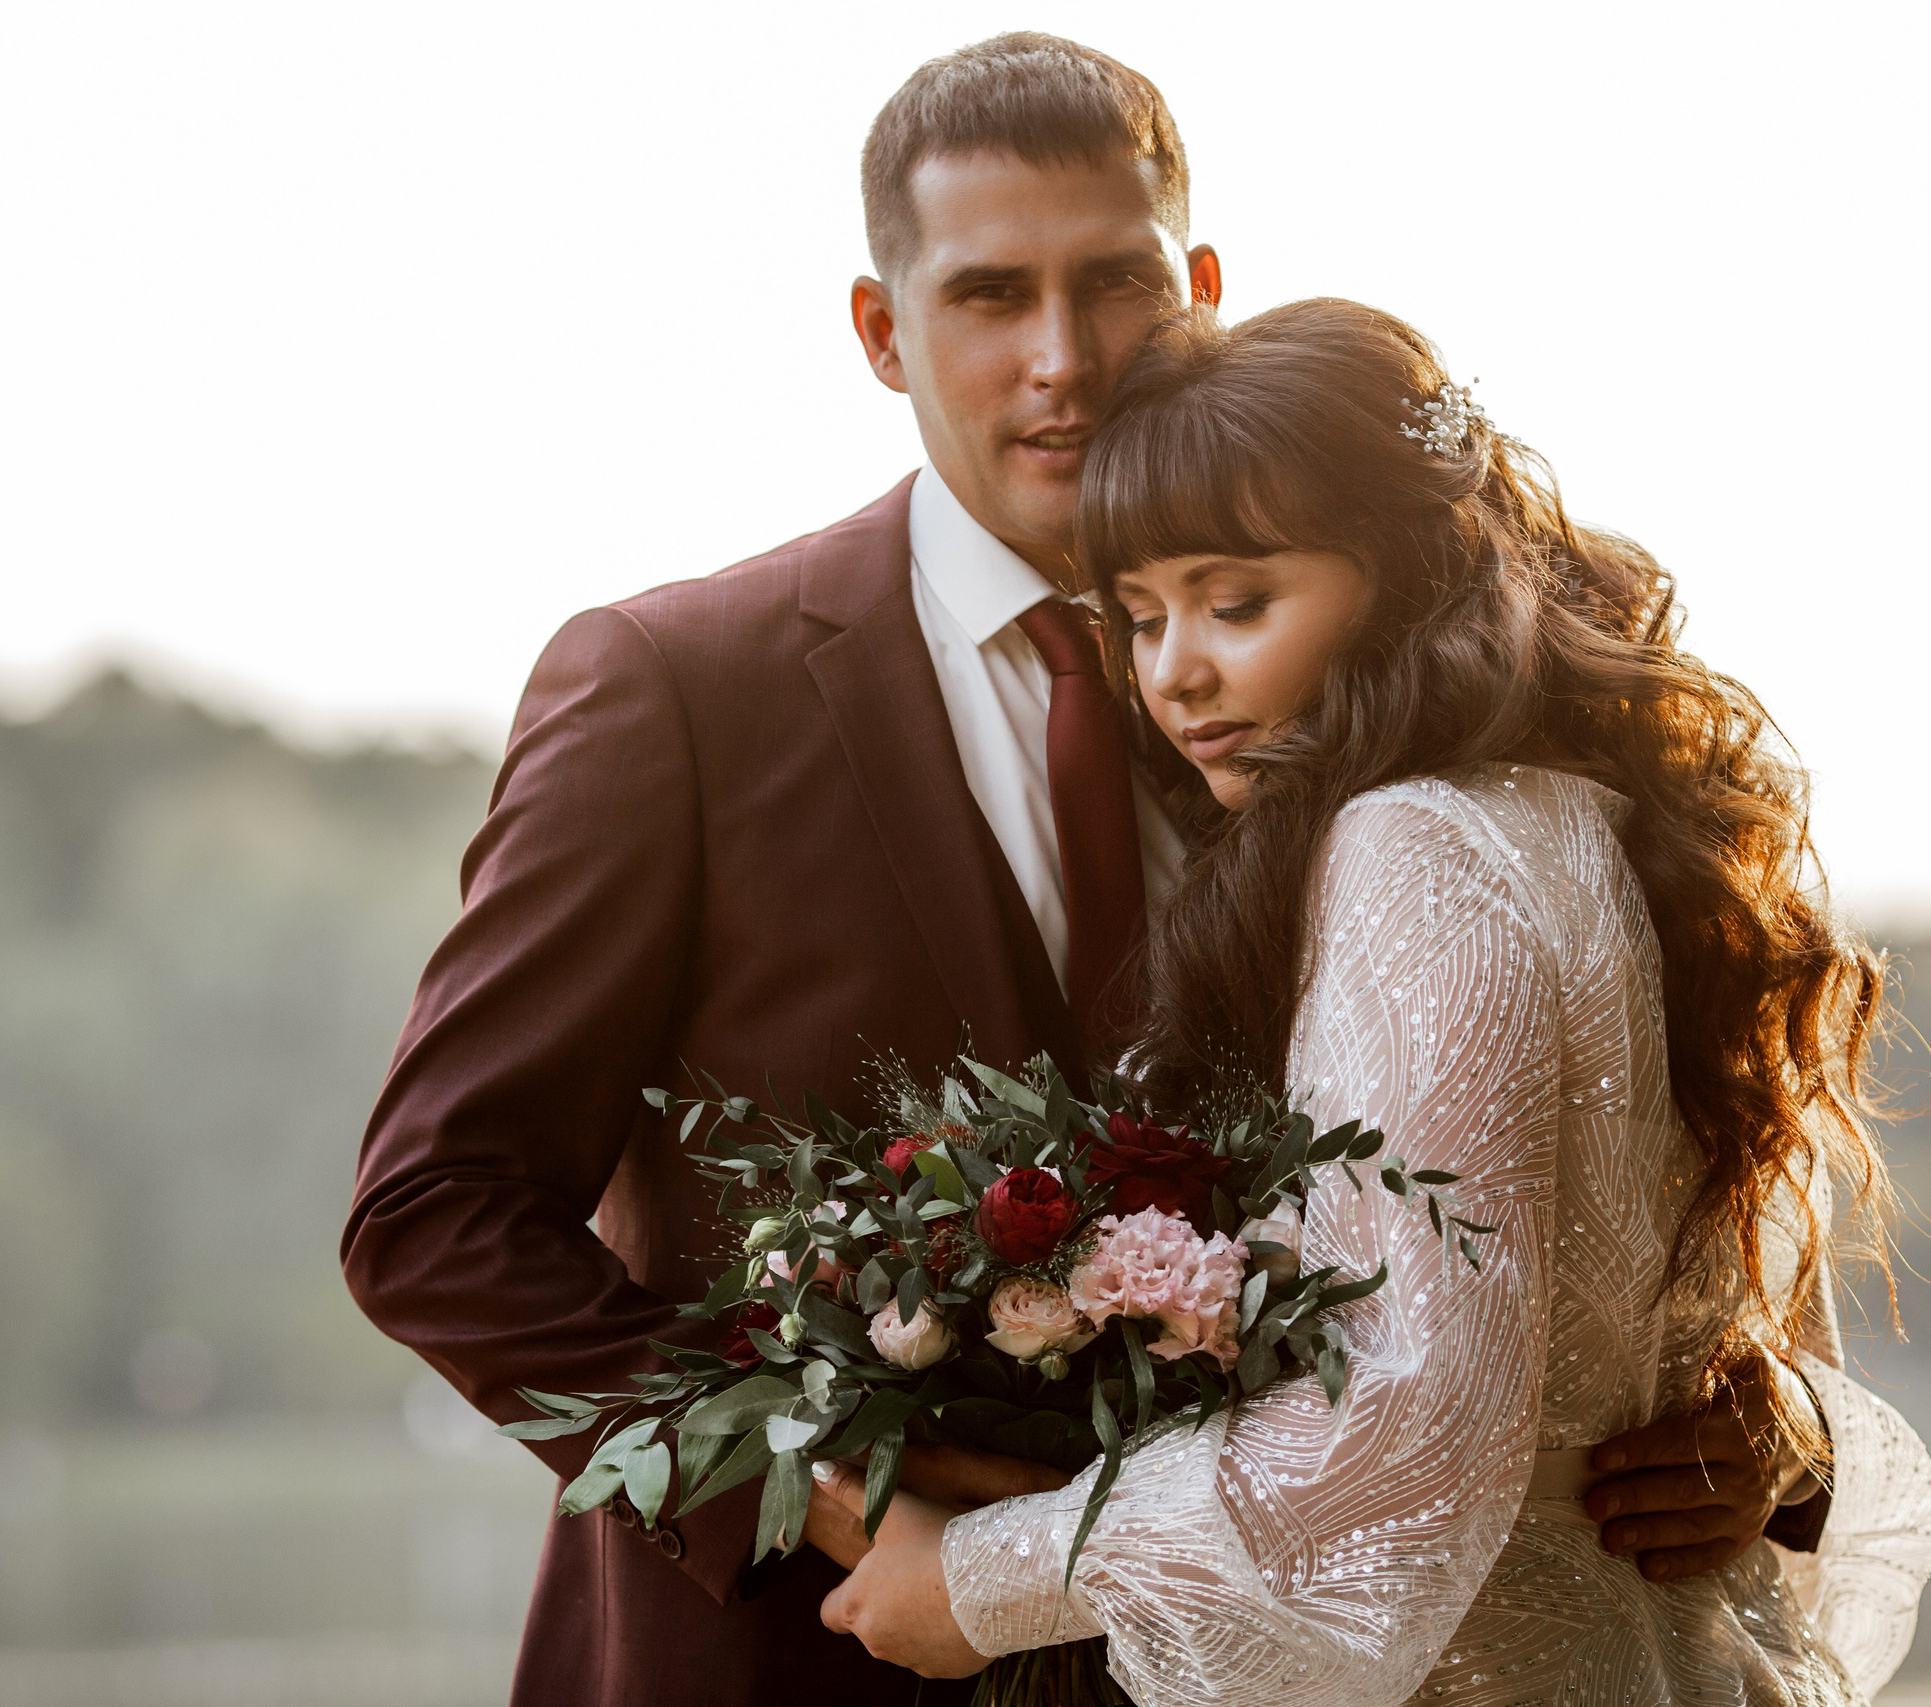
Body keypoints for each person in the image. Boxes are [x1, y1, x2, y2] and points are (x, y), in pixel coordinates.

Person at [345, 35, 1831, 1706]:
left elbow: (1567, 1187)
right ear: (881, 331)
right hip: (791, 1659)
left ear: (1198, 294)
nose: (1061, 358)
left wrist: (1768, 1416)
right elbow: (434, 1217)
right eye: (990, 296)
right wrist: (825, 1490)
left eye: (1115, 283)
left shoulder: (1382, 732)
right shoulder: (675, 689)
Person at [809, 300, 1931, 1704]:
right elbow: (1759, 1363)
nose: (1173, 672)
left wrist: (983, 1582)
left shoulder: (1416, 847)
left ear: (1407, 581)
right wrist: (1790, 1438)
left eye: (1237, 604)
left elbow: (1405, 1408)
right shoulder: (1614, 831)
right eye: (1141, 616)